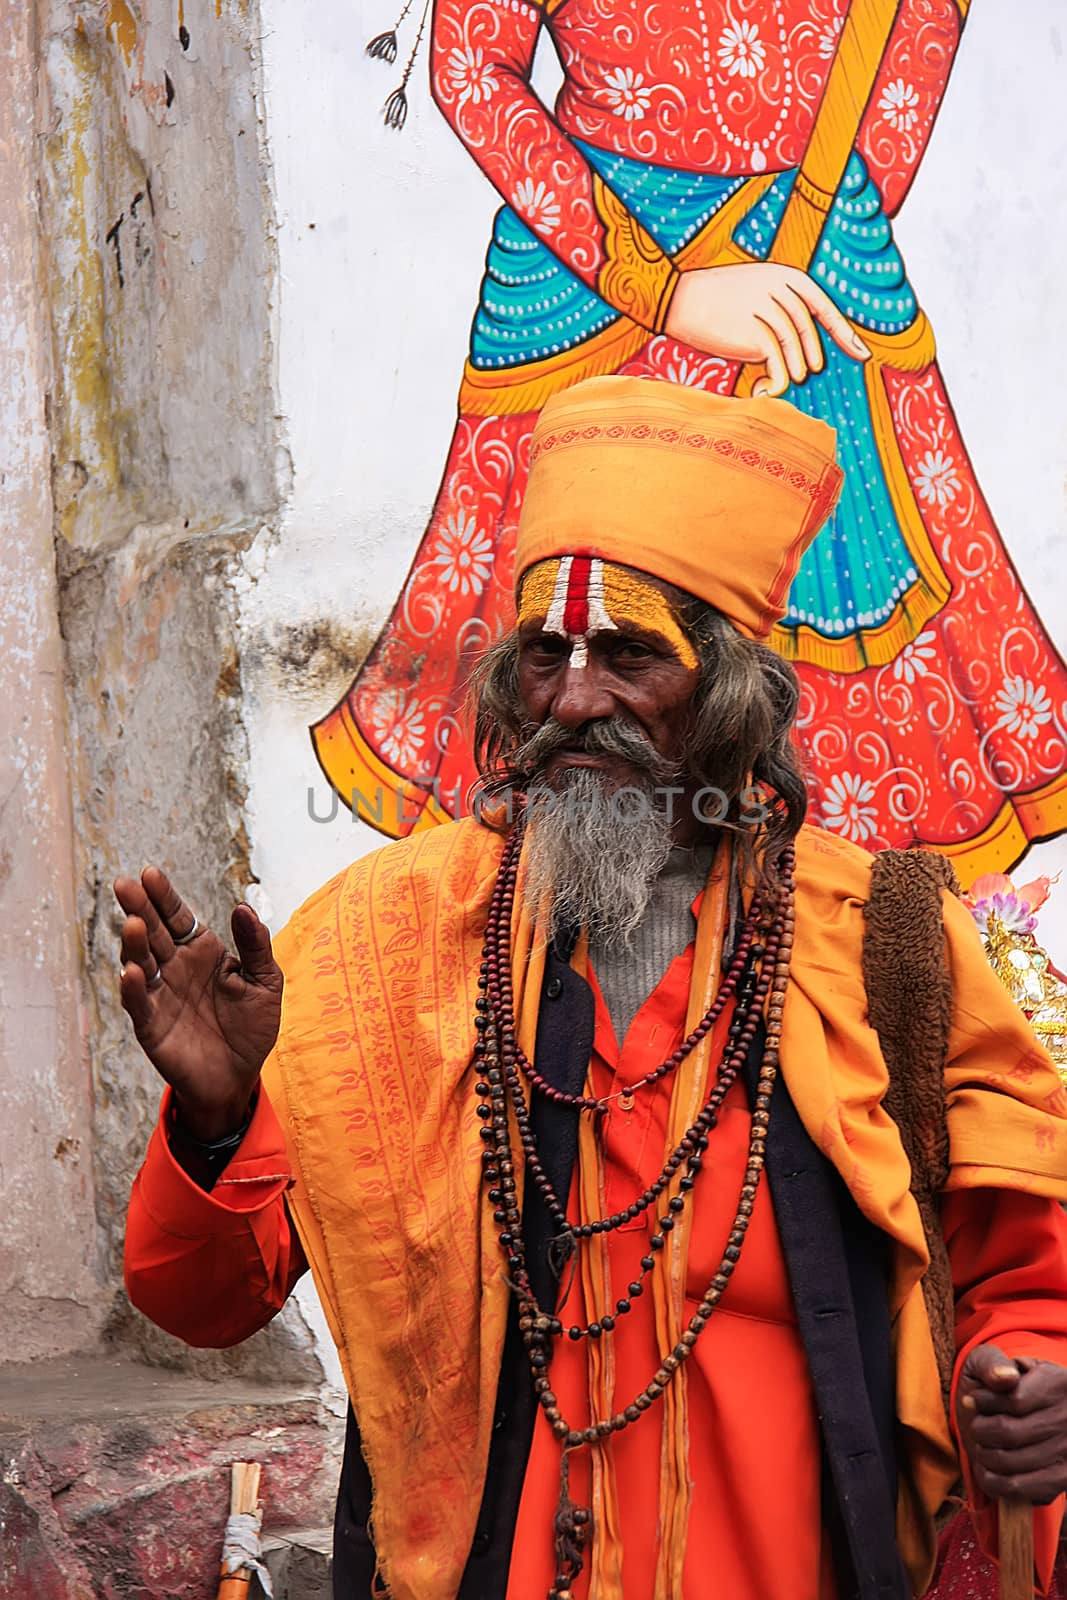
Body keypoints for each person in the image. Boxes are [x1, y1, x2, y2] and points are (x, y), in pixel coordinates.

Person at [121, 378, 1067, 1600]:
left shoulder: (879, 938)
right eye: (541, 656)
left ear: (726, 688)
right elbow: (198, 1304)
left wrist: (1032, 1376)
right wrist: (214, 1120)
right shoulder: (379, 944)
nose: (572, 700)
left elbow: (1022, 1276)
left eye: (626, 655)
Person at [314, 0, 1067, 878]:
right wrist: (668, 292)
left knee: (837, 811)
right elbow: (473, 69)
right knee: (560, 701)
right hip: (593, 288)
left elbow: (908, 43)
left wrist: (803, 228)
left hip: (808, 294)